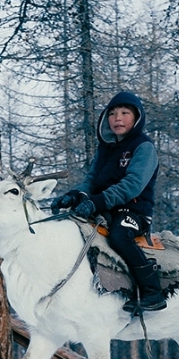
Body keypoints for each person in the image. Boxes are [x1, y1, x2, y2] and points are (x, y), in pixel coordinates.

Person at [50, 91, 166, 314]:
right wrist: (75, 196)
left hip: (134, 211)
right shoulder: (106, 148)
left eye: (124, 113)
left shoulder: (144, 147)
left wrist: (97, 201)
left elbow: (133, 184)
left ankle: (152, 292)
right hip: (104, 207)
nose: (117, 118)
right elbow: (91, 179)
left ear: (137, 118)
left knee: (119, 235)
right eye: (112, 113)